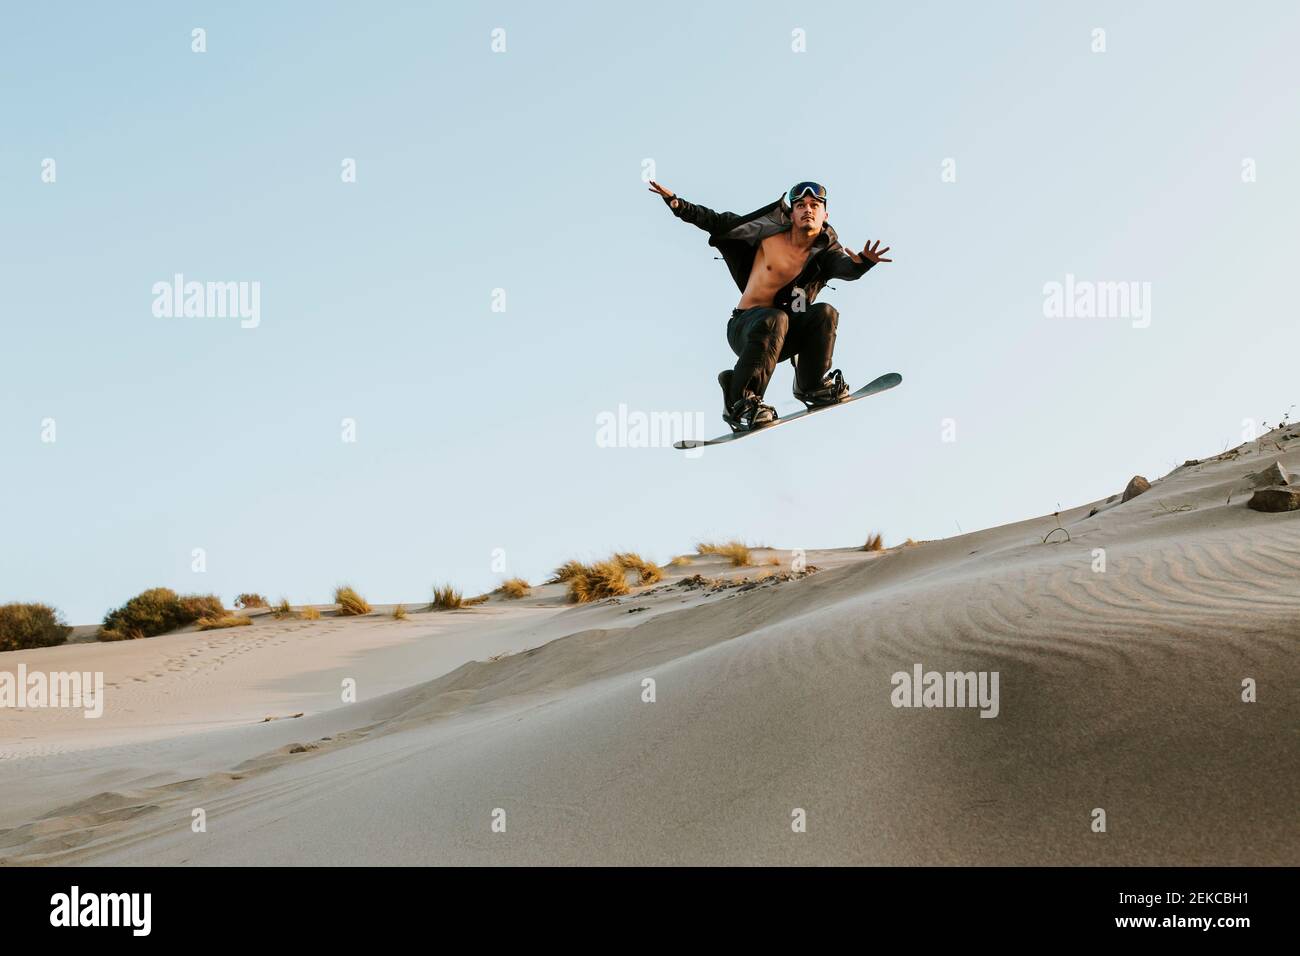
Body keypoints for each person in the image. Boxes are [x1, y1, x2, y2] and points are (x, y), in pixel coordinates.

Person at [650, 180, 891, 431]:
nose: (807, 210)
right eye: (800, 205)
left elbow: (846, 267)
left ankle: (811, 385)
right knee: (776, 317)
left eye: (814, 205)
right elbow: (715, 221)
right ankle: (740, 400)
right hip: (747, 329)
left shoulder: (825, 252)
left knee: (825, 313)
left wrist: (862, 263)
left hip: (784, 337)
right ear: (791, 212)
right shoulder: (766, 234)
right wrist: (677, 204)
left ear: (825, 214)